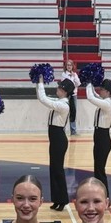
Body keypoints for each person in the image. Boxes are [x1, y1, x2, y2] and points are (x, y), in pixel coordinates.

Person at [36, 78, 73, 210]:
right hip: (55, 138)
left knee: (58, 170)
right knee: (54, 169)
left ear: (65, 91)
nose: (57, 89)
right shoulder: (59, 102)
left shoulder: (63, 105)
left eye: (60, 88)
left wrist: (40, 82)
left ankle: (63, 200)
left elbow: (43, 99)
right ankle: (57, 199)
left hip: (59, 139)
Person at [85, 78, 111, 195]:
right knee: (97, 169)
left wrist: (88, 82)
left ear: (108, 92)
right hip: (99, 137)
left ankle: (105, 196)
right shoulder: (105, 101)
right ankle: (99, 193)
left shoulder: (107, 103)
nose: (100, 91)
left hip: (103, 138)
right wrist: (92, 81)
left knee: (100, 170)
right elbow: (94, 94)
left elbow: (91, 97)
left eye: (102, 89)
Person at [61, 59, 81, 135]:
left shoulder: (75, 74)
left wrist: (74, 77)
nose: (69, 66)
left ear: (73, 66)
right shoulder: (64, 74)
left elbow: (78, 84)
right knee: (65, 112)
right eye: (68, 65)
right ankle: (62, 130)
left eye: (70, 65)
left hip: (74, 95)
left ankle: (73, 131)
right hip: (66, 96)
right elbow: (65, 84)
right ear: (66, 66)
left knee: (73, 112)